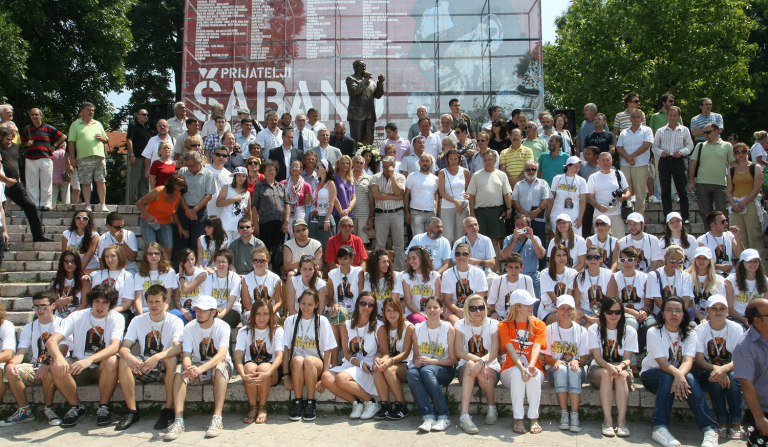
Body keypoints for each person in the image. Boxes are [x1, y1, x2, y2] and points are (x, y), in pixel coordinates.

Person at [640, 296, 719, 447]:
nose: (674, 314)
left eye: (678, 310)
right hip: (652, 375)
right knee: (668, 376)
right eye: (669, 310)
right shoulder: (654, 332)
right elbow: (663, 363)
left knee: (688, 377)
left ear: (684, 314)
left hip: (677, 374)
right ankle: (659, 427)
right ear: (663, 313)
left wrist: (680, 376)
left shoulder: (690, 333)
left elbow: (688, 361)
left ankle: (710, 429)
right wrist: (678, 375)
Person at [47, 285, 125, 428]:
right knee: (55, 362)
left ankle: (103, 407)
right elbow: (51, 341)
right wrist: (59, 358)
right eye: (96, 301)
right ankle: (76, 407)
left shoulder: (116, 317)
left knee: (112, 359)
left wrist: (89, 360)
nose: (100, 306)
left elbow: (115, 347)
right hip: (79, 367)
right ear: (91, 302)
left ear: (111, 304)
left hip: (101, 368)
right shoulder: (77, 316)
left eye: (104, 302)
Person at [164, 296, 233, 440]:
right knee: (179, 371)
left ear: (213, 312)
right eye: (196, 309)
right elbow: (186, 354)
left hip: (217, 365)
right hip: (197, 364)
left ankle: (217, 418)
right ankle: (178, 420)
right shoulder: (189, 327)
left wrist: (200, 370)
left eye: (202, 310)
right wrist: (188, 367)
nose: (198, 313)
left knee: (220, 367)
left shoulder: (223, 326)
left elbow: (221, 355)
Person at [115, 284, 184, 431]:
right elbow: (124, 347)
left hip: (164, 366)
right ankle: (132, 411)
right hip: (145, 365)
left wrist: (157, 357)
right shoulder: (137, 320)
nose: (153, 305)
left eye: (157, 301)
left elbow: (178, 347)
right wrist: (128, 356)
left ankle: (168, 410)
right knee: (123, 360)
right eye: (150, 302)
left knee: (171, 359)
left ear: (165, 302)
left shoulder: (175, 321)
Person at [0, 290, 66, 426]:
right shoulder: (29, 327)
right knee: (12, 370)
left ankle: (48, 408)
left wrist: (46, 363)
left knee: (50, 369)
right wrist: (11, 363)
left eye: (43, 306)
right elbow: (20, 353)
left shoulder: (63, 324)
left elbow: (63, 351)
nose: (39, 310)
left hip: (56, 366)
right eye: (36, 306)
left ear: (53, 305)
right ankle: (25, 410)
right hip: (35, 366)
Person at [321, 292, 383, 419]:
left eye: (370, 305)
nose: (366, 307)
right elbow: (346, 352)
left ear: (374, 308)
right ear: (357, 304)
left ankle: (371, 402)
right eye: (363, 303)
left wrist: (375, 360)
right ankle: (356, 403)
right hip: (353, 363)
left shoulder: (379, 326)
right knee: (326, 377)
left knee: (341, 378)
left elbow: (383, 351)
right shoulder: (347, 325)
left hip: (368, 365)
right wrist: (358, 363)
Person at [694, 295, 744, 439]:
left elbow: (739, 359)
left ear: (727, 311)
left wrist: (724, 369)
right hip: (708, 371)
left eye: (722, 308)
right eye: (714, 308)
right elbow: (699, 361)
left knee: (732, 377)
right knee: (714, 378)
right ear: (707, 311)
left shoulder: (736, 328)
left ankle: (736, 422)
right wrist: (718, 370)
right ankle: (722, 421)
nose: (718, 312)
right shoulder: (700, 329)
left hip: (731, 371)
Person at [587, 297, 638, 437]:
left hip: (622, 369)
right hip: (599, 369)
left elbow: (627, 359)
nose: (614, 315)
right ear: (603, 313)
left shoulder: (630, 331)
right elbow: (597, 357)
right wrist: (610, 367)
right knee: (606, 373)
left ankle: (622, 422)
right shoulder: (594, 329)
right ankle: (608, 421)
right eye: (610, 312)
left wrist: (620, 367)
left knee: (621, 376)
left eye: (618, 312)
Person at [283, 289, 337, 421]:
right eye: (303, 303)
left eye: (310, 304)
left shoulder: (322, 321)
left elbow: (328, 350)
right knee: (298, 360)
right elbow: (286, 349)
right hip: (296, 365)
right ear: (299, 303)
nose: (306, 307)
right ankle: (297, 401)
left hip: (315, 364)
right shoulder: (290, 321)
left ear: (316, 305)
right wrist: (285, 376)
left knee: (308, 360)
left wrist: (324, 377)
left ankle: (311, 402)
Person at [499, 290, 546, 434]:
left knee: (534, 375)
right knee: (517, 372)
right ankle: (518, 418)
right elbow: (510, 350)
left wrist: (530, 366)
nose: (532, 306)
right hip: (509, 371)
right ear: (517, 307)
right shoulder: (504, 325)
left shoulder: (539, 325)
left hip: (533, 368)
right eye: (527, 304)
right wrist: (522, 368)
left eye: (532, 303)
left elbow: (536, 348)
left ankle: (533, 417)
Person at [407, 296, 456, 433]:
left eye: (435, 307)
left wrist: (430, 362)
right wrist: (417, 361)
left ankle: (443, 415)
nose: (432, 310)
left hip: (445, 370)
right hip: (425, 369)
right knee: (411, 373)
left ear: (442, 310)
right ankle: (428, 416)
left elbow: (453, 360)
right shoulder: (417, 328)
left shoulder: (448, 328)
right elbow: (416, 356)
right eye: (428, 307)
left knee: (426, 370)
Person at [454, 294, 501, 433]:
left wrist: (482, 363)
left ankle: (491, 407)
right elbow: (459, 351)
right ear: (467, 309)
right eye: (473, 308)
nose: (478, 311)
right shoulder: (460, 324)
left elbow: (494, 352)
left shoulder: (493, 324)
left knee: (482, 372)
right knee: (470, 364)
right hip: (466, 367)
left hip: (490, 365)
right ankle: (464, 415)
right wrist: (478, 362)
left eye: (481, 307)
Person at [542, 295, 589, 433]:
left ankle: (574, 414)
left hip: (576, 371)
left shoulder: (581, 330)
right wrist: (557, 361)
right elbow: (547, 359)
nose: (566, 312)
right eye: (562, 308)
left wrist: (577, 361)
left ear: (574, 310)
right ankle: (564, 413)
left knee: (573, 370)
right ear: (557, 310)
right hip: (556, 371)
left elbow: (584, 359)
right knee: (562, 369)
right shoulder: (550, 329)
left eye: (569, 309)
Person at [234, 297, 284, 424]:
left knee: (263, 368)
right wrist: (243, 375)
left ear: (271, 315)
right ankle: (253, 407)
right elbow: (238, 357)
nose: (261, 318)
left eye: (265, 314)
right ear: (253, 315)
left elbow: (279, 356)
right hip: (252, 369)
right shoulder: (244, 331)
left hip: (271, 371)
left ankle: (262, 407)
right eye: (258, 314)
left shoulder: (277, 330)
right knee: (249, 367)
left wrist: (267, 374)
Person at [0, 126, 52, 241]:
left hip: (15, 184)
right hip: (2, 184)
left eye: (11, 139)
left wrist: (17, 177)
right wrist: (5, 180)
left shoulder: (15, 147)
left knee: (30, 206)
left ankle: (38, 236)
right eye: (7, 139)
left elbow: (16, 163)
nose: (9, 142)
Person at [371, 297, 413, 420]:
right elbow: (381, 350)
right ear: (384, 312)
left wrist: (390, 361)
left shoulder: (408, 327)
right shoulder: (384, 328)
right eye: (388, 311)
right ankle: (385, 405)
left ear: (400, 311)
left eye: (395, 310)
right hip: (390, 363)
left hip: (406, 366)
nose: (392, 314)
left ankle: (401, 406)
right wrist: (377, 358)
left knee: (389, 370)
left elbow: (405, 353)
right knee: (376, 368)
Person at [733, 298, 768, 446]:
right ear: (757, 320)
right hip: (762, 409)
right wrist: (759, 417)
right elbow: (746, 384)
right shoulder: (744, 346)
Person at [468, 149, 513, 262]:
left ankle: (495, 268)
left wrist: (509, 209)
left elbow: (507, 193)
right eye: (485, 160)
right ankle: (481, 266)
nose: (487, 162)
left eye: (490, 160)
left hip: (496, 211)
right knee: (480, 240)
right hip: (480, 212)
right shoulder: (476, 175)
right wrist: (472, 213)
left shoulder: (501, 175)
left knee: (495, 241)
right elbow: (471, 195)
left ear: (495, 160)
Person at [175, 151, 217, 264]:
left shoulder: (208, 174)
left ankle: (196, 268)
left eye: (192, 166)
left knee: (197, 241)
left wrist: (195, 210)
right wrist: (187, 210)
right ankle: (179, 268)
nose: (189, 168)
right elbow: (179, 193)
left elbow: (209, 196)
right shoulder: (182, 172)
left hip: (200, 211)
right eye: (188, 165)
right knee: (180, 242)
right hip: (183, 210)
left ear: (199, 163)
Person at [614, 246, 653, 368]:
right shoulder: (615, 277)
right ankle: (633, 362)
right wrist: (633, 312)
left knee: (652, 324)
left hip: (642, 311)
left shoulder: (645, 277)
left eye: (630, 260)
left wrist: (644, 312)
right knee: (632, 324)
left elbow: (648, 303)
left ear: (636, 260)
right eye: (623, 260)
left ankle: (649, 359)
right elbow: (614, 302)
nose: (626, 263)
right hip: (622, 311)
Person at [653, 106, 693, 222]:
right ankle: (667, 217)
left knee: (682, 190)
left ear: (679, 116)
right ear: (667, 116)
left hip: (678, 160)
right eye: (670, 115)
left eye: (675, 115)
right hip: (664, 161)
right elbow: (654, 147)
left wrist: (681, 152)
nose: (672, 117)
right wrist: (662, 152)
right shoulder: (660, 131)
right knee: (665, 191)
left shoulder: (684, 130)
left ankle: (685, 216)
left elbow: (690, 145)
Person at [67, 102, 109, 212]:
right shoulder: (75, 125)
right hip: (83, 157)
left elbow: (106, 139)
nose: (91, 112)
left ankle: (103, 205)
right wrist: (72, 158)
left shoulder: (98, 124)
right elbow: (71, 142)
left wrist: (102, 139)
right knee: (86, 182)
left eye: (92, 110)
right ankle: (87, 205)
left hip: (99, 156)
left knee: (101, 180)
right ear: (82, 111)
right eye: (89, 110)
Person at [20, 108, 66, 210]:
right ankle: (33, 205)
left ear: (41, 116)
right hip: (31, 158)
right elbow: (22, 143)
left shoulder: (48, 128)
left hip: (46, 158)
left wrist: (54, 145)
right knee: (31, 183)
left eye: (36, 114)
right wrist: (26, 143)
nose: (34, 116)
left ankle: (46, 205)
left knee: (46, 183)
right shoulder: (27, 129)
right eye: (32, 115)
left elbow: (63, 136)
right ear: (30, 116)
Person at [137, 174, 187, 261]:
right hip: (148, 223)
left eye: (179, 190)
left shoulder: (178, 196)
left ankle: (164, 267)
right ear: (170, 186)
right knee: (152, 249)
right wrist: (148, 215)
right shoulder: (158, 191)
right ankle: (151, 267)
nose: (177, 192)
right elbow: (139, 203)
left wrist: (180, 227)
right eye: (175, 189)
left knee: (168, 248)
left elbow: (174, 212)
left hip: (165, 224)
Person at [727, 142, 764, 259]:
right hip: (735, 205)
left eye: (743, 151)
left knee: (754, 236)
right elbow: (729, 190)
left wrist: (742, 203)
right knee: (740, 238)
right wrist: (733, 204)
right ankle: (744, 266)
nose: (741, 154)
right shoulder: (732, 170)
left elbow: (757, 188)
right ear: (734, 155)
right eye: (737, 152)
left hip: (751, 203)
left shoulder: (755, 167)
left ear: (748, 152)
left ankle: (759, 267)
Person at [371, 156, 406, 270]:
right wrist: (393, 197)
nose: (386, 169)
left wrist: (392, 176)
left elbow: (398, 192)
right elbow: (375, 194)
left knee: (399, 244)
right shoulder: (376, 177)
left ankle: (400, 270)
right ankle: (378, 269)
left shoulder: (400, 177)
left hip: (397, 213)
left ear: (394, 166)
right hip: (381, 214)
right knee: (380, 245)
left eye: (389, 167)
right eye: (384, 166)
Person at [251, 160, 290, 260]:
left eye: (272, 170)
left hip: (280, 222)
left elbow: (287, 204)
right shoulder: (259, 186)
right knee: (265, 248)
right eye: (268, 169)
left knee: (278, 249)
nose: (270, 172)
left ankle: (277, 268)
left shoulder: (281, 186)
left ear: (276, 172)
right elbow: (254, 206)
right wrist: (255, 224)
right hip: (265, 222)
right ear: (264, 171)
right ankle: (266, 266)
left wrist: (286, 222)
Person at [617, 109, 653, 214]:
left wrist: (631, 156)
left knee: (640, 193)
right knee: (625, 191)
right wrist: (627, 158)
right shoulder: (624, 132)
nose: (636, 119)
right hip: (625, 165)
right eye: (633, 117)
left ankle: (639, 217)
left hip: (640, 165)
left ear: (642, 119)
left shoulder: (647, 130)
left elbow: (647, 145)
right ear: (630, 119)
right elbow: (619, 148)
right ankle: (627, 215)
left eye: (638, 117)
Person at [326, 246, 364, 348]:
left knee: (339, 318)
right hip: (338, 311)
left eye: (345, 258)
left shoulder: (358, 272)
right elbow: (329, 298)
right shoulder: (332, 274)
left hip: (355, 311)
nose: (342, 261)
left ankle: (343, 351)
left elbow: (362, 296)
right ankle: (339, 353)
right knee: (339, 314)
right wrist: (334, 304)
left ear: (352, 259)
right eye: (340, 258)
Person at [443, 242, 488, 325]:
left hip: (475, 309)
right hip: (454, 310)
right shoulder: (447, 274)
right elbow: (447, 300)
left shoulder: (479, 273)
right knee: (457, 323)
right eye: (458, 254)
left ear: (470, 256)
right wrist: (457, 310)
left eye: (465, 254)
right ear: (455, 256)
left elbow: (480, 298)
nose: (461, 257)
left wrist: (470, 311)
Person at [587, 152, 630, 238]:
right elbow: (590, 196)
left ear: (611, 162)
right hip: (600, 213)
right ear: (598, 162)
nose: (605, 163)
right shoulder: (593, 177)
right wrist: (598, 206)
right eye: (603, 160)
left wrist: (624, 197)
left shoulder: (618, 174)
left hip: (616, 212)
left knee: (619, 239)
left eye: (607, 160)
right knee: (600, 241)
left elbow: (627, 191)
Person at [90, 245, 135, 326]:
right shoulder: (98, 275)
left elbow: (127, 302)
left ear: (119, 257)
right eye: (106, 256)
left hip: (120, 311)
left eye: (113, 256)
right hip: (100, 309)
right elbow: (94, 298)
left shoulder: (127, 276)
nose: (109, 259)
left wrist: (111, 312)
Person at [572, 245, 617, 327]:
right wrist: (588, 318)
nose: (593, 260)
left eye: (596, 257)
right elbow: (576, 304)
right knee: (575, 321)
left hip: (603, 311)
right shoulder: (579, 277)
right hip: (584, 313)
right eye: (589, 257)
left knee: (588, 326)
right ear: (586, 259)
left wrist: (594, 317)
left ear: (601, 259)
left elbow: (610, 302)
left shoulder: (609, 275)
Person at [647, 244, 694, 317]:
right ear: (665, 257)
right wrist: (670, 314)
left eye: (680, 261)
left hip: (680, 315)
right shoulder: (654, 275)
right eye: (673, 260)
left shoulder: (685, 276)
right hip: (661, 314)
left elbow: (686, 298)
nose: (676, 264)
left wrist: (679, 314)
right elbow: (657, 300)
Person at [725, 249, 768, 328]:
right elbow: (730, 308)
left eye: (756, 261)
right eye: (749, 261)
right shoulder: (731, 280)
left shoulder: (766, 281)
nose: (753, 264)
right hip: (737, 318)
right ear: (742, 263)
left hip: (757, 318)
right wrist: (743, 320)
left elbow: (764, 307)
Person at [400, 245, 441, 324]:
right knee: (419, 320)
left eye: (414, 258)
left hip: (432, 313)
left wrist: (429, 314)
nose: (411, 261)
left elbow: (437, 300)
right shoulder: (406, 277)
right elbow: (408, 303)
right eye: (409, 258)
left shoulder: (435, 276)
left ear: (422, 258)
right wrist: (421, 314)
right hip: (413, 314)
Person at [488, 252, 536, 321]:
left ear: (521, 268)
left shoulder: (527, 280)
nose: (513, 271)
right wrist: (493, 312)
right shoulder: (498, 281)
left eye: (516, 267)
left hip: (521, 317)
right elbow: (491, 302)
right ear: (506, 268)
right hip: (501, 317)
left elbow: (531, 301)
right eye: (510, 267)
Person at [201, 249, 242, 328]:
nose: (221, 264)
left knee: (222, 325)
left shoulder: (235, 278)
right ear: (214, 263)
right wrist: (214, 313)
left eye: (224, 262)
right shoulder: (210, 278)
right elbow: (208, 299)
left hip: (231, 310)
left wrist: (220, 315)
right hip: (214, 310)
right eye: (218, 261)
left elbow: (231, 300)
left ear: (229, 264)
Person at [346, 60, 384, 145]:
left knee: (369, 138)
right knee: (357, 139)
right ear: (355, 68)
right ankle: (357, 154)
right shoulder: (351, 79)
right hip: (356, 115)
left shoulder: (371, 82)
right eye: (361, 65)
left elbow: (378, 95)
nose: (364, 67)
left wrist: (380, 83)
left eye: (364, 65)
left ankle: (368, 153)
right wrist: (366, 79)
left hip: (369, 114)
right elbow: (355, 91)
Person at [241, 246, 283, 322]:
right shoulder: (246, 279)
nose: (258, 263)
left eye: (262, 261)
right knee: (247, 317)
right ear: (251, 261)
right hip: (253, 311)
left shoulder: (275, 278)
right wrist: (260, 314)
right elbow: (247, 305)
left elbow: (279, 302)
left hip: (271, 311)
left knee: (275, 320)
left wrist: (269, 312)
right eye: (255, 260)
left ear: (267, 261)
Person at [513, 160, 550, 244]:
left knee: (539, 243)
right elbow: (514, 200)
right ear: (524, 171)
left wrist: (537, 211)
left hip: (538, 219)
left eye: (533, 169)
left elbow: (546, 199)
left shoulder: (543, 183)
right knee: (522, 243)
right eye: (528, 169)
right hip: (522, 221)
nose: (531, 171)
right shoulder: (518, 185)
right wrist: (524, 213)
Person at [538, 243, 578, 323]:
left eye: (564, 255)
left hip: (566, 309)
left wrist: (567, 310)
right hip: (548, 310)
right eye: (558, 255)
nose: (562, 258)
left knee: (577, 318)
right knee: (565, 318)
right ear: (553, 258)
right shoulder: (545, 273)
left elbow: (569, 296)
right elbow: (554, 299)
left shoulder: (572, 273)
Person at [438, 149, 470, 244]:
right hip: (447, 207)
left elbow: (469, 188)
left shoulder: (465, 171)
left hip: (462, 206)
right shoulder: (442, 172)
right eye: (451, 159)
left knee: (459, 236)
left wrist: (468, 195)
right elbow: (441, 192)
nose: (453, 161)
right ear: (447, 160)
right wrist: (455, 201)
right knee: (448, 236)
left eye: (455, 158)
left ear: (459, 159)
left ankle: (458, 253)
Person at [698, 210, 743, 277]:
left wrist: (737, 237)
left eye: (726, 220)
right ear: (713, 225)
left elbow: (741, 255)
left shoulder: (730, 236)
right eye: (722, 221)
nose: (726, 223)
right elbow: (700, 264)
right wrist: (720, 267)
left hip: (729, 274)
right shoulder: (702, 240)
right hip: (712, 275)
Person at [549, 156, 587, 235]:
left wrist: (580, 217)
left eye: (579, 167)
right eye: (575, 166)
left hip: (574, 214)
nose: (577, 169)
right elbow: (551, 198)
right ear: (568, 166)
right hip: (557, 213)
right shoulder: (557, 178)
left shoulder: (581, 181)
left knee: (575, 238)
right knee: (558, 237)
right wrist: (548, 214)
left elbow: (583, 200)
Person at [686, 247, 725, 321]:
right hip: (693, 318)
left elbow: (720, 302)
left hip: (713, 318)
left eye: (705, 258)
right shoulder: (687, 278)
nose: (701, 261)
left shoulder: (719, 280)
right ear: (694, 260)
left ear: (710, 261)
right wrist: (701, 318)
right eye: (698, 258)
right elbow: (688, 302)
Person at [50, 250, 91, 318]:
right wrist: (58, 303)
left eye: (72, 261)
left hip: (77, 317)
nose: (69, 264)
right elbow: (52, 303)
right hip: (58, 317)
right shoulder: (56, 279)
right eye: (66, 261)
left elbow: (84, 303)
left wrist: (69, 318)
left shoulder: (84, 280)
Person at [404, 153, 438, 235]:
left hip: (431, 213)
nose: (425, 163)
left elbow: (436, 195)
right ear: (419, 163)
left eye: (427, 161)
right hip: (416, 213)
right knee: (418, 238)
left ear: (431, 163)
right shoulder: (412, 176)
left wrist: (436, 209)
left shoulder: (435, 178)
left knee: (430, 238)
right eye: (423, 161)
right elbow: (406, 195)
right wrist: (407, 212)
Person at [171, 248, 208, 324]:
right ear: (181, 262)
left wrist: (181, 276)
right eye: (187, 260)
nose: (190, 262)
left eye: (192, 259)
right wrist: (183, 311)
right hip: (183, 310)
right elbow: (176, 300)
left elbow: (185, 290)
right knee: (172, 315)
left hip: (197, 309)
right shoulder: (176, 277)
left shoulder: (202, 273)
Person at [308, 159, 338, 247]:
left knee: (326, 243)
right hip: (314, 215)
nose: (315, 170)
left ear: (325, 169)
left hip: (325, 215)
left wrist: (327, 219)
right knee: (314, 242)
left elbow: (332, 202)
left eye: (318, 167)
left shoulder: (330, 183)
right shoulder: (317, 183)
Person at [216, 166, 251, 242]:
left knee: (238, 247)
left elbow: (249, 211)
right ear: (235, 176)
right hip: (226, 224)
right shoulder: (227, 187)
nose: (241, 178)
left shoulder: (247, 193)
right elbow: (218, 203)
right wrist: (233, 199)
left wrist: (249, 225)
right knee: (227, 246)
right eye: (238, 175)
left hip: (240, 226)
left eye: (243, 176)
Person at [363, 249, 401, 315]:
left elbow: (394, 299)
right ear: (375, 264)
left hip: (391, 314)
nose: (387, 264)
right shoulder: (367, 278)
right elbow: (369, 300)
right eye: (384, 262)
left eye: (388, 261)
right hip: (374, 314)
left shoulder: (396, 276)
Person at [127, 109, 152, 203]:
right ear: (137, 115)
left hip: (146, 158)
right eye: (143, 114)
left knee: (145, 179)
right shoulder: (133, 125)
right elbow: (129, 139)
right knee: (135, 179)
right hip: (137, 157)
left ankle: (143, 201)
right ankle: (133, 201)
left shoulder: (146, 129)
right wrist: (132, 154)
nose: (146, 116)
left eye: (147, 115)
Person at [352, 155, 373, 246]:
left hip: (364, 216)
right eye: (357, 162)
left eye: (361, 163)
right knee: (350, 242)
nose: (359, 165)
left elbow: (371, 200)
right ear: (352, 164)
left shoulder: (369, 178)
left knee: (362, 244)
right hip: (350, 214)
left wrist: (371, 217)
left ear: (364, 165)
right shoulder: (347, 177)